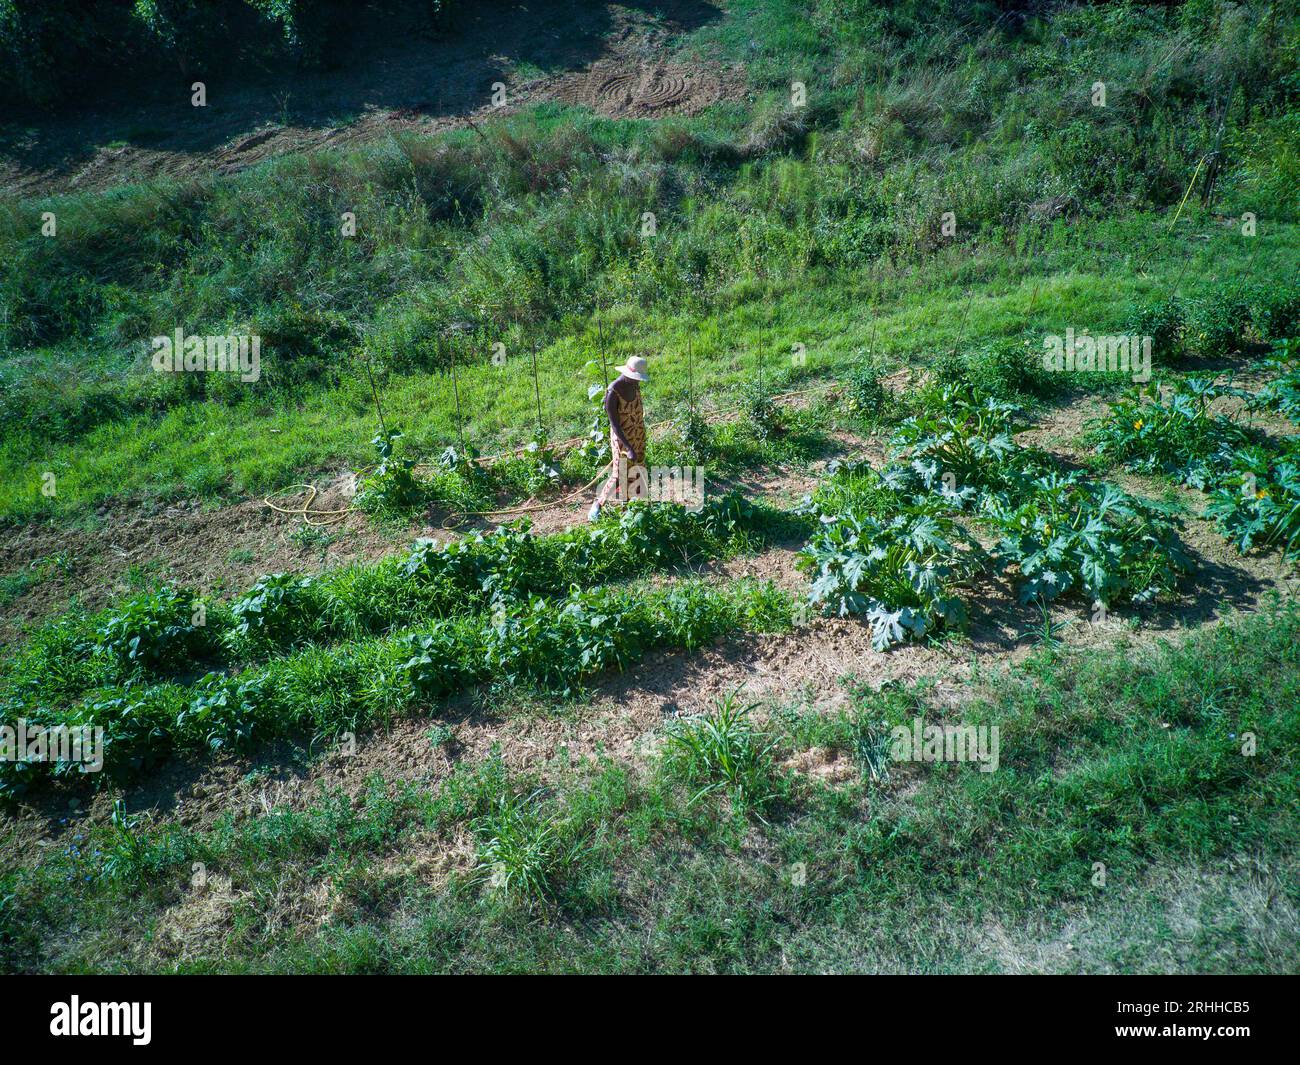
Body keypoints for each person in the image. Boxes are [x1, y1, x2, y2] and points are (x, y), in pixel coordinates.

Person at [589, 356, 649, 521]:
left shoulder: (634, 386)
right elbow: (615, 425)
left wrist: (639, 438)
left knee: (637, 472)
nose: (638, 383)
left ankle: (627, 509)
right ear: (627, 374)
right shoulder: (613, 393)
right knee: (619, 475)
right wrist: (628, 448)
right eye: (636, 379)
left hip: (638, 436)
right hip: (622, 440)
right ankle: (597, 505)